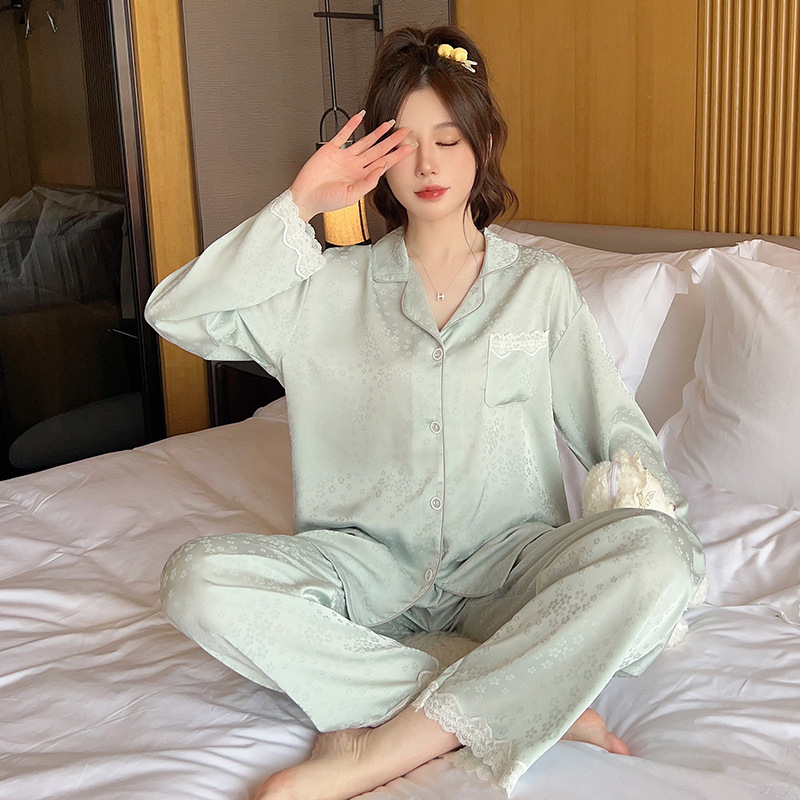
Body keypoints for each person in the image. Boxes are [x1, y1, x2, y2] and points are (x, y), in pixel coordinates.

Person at [146, 25, 705, 800]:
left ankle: (378, 747)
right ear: (375, 158)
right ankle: (529, 694)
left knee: (660, 555)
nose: (428, 165)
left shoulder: (537, 286)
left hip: (510, 571)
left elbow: (616, 432)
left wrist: (658, 540)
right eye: (403, 144)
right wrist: (301, 202)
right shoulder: (326, 289)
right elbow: (176, 312)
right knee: (196, 582)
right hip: (363, 574)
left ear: (483, 144)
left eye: (447, 139)